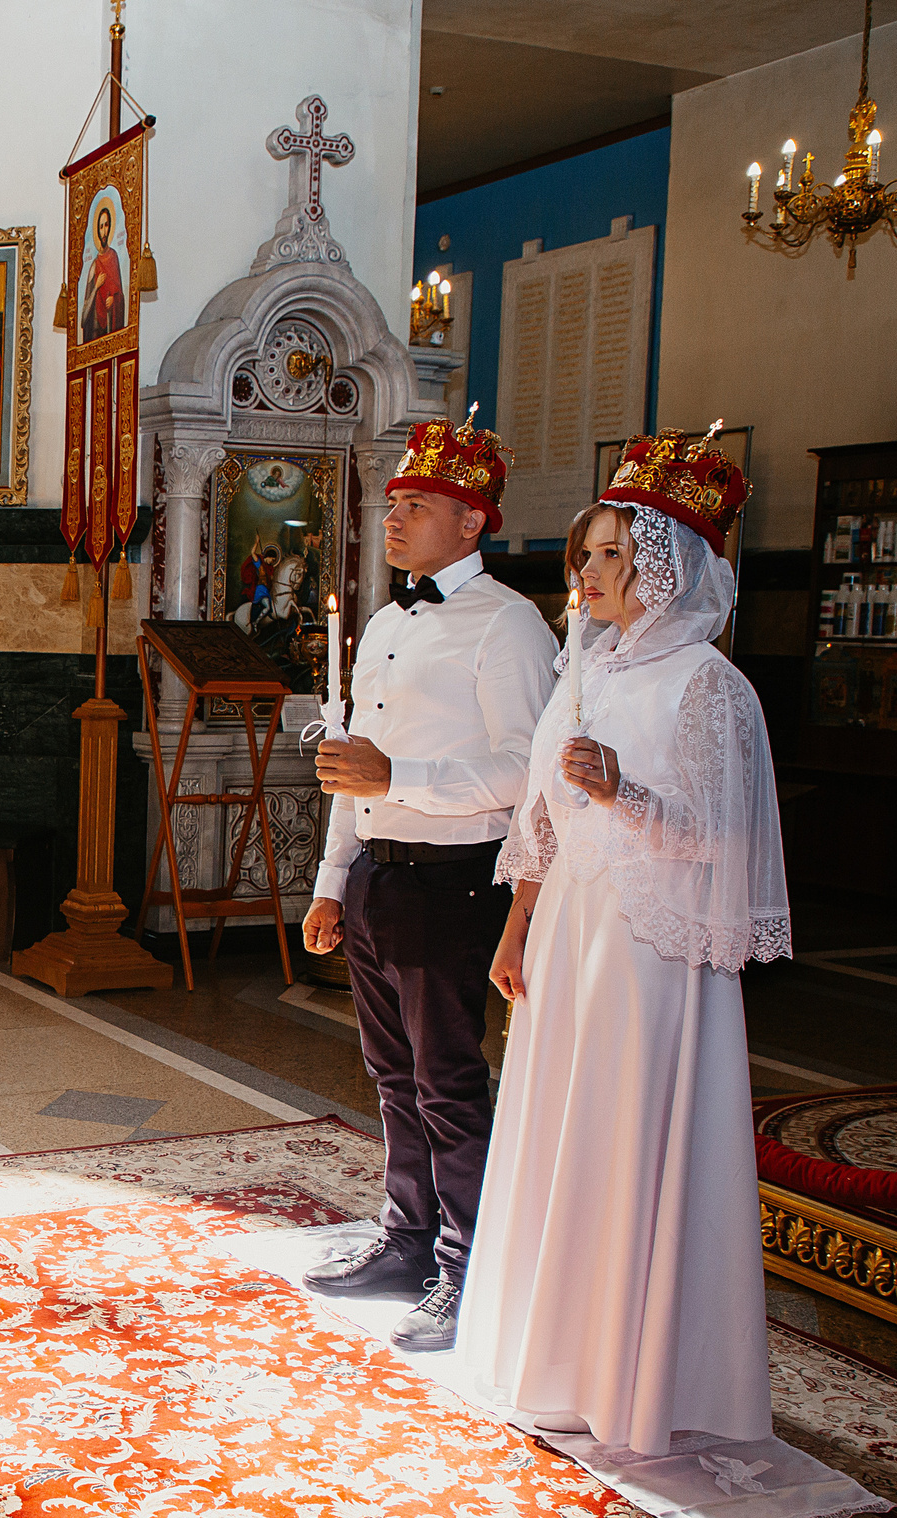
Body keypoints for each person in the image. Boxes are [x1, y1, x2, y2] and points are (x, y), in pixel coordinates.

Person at [461, 432, 787, 1455]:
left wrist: (625, 790)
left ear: (663, 565)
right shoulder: (583, 671)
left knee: (624, 1140)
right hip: (569, 939)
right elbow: (544, 823)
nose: (587, 572)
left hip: (653, 953)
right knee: (557, 1131)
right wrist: (517, 925)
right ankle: (549, 1354)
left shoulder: (709, 688)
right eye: (586, 553)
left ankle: (632, 1376)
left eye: (609, 553)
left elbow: (722, 843)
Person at [299, 410, 556, 1352]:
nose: (394, 517)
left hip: (455, 883)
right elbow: (348, 763)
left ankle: (467, 1262)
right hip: (378, 875)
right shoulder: (384, 622)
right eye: (393, 502)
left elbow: (524, 772)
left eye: (416, 503)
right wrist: (331, 881)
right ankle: (405, 1239)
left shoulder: (511, 626)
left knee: (448, 1080)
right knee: (390, 1073)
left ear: (474, 521)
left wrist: (397, 779)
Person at [80, 199, 128, 340]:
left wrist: (114, 299)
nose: (104, 231)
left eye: (106, 225)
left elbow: (120, 293)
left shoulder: (113, 257)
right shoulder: (94, 265)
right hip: (94, 326)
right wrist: (96, 286)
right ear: (97, 230)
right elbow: (85, 310)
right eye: (101, 227)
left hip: (109, 321)